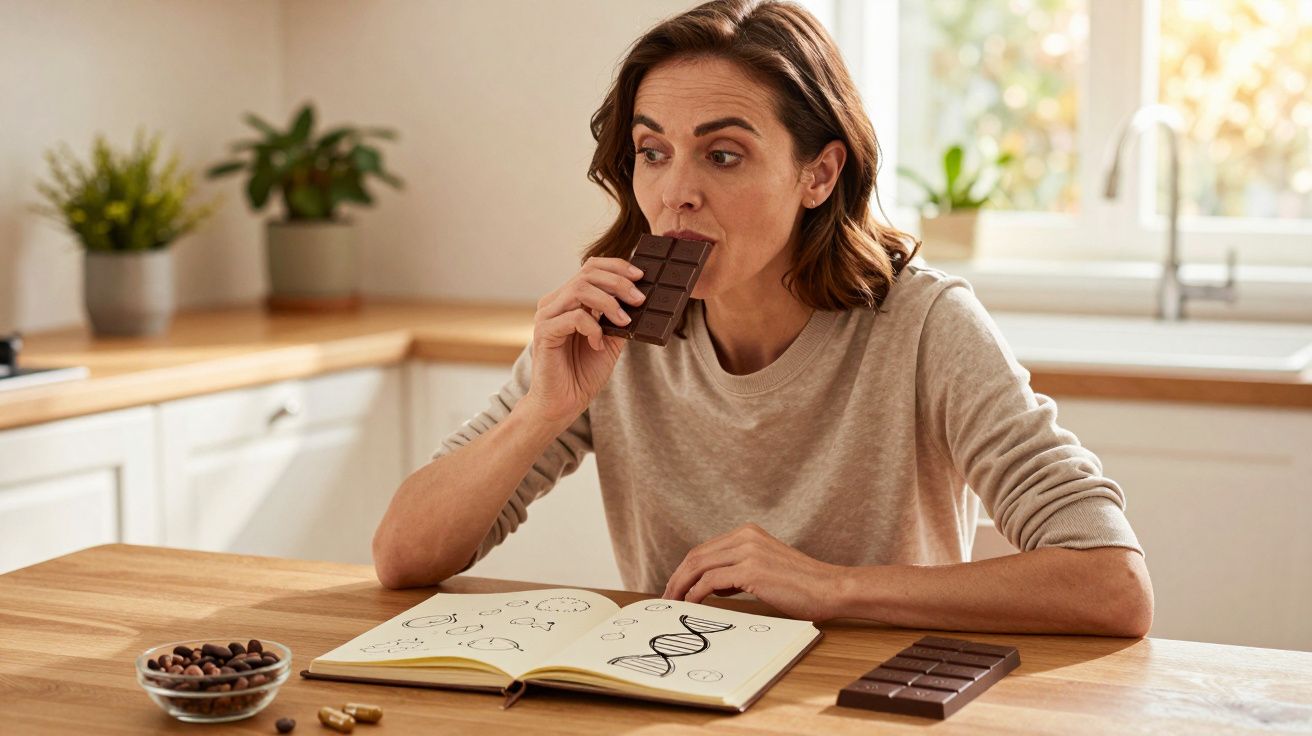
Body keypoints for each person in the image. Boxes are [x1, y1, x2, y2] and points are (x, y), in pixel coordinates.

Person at [373, 0, 1153, 636]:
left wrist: (833, 589)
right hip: (675, 693)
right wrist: (542, 412)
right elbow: (402, 557)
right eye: (652, 151)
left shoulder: (925, 325)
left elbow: (1112, 583)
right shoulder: (612, 326)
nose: (675, 192)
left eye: (722, 156)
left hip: (873, 705)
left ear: (818, 172)